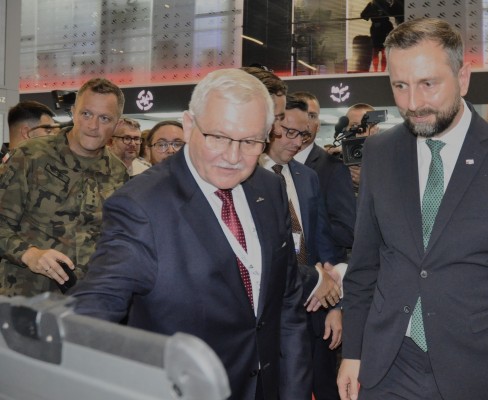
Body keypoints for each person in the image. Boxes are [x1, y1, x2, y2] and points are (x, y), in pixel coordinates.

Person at [337, 18, 488, 400]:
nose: (413, 103)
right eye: (400, 86)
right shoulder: (380, 153)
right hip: (388, 362)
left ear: (463, 77)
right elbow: (365, 264)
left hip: (473, 369)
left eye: (428, 84)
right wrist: (353, 352)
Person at [71, 69, 311, 400]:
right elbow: (98, 302)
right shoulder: (141, 204)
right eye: (219, 137)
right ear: (188, 125)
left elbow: (287, 303)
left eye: (250, 142)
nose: (233, 157)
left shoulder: (269, 188)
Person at [0, 78, 128, 297]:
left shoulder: (118, 172)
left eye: (104, 118)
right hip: (26, 298)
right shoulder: (31, 156)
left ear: (117, 125)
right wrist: (30, 254)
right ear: (73, 112)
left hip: (87, 301)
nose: (93, 126)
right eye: (86, 114)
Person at [261, 95, 343, 400]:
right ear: (270, 127)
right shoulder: (246, 177)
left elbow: (324, 245)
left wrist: (335, 306)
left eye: (304, 135)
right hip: (268, 314)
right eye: (289, 132)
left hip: (313, 308)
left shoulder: (307, 177)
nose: (297, 143)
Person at [292, 91, 356, 264]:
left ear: (318, 125)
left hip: (321, 268)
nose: (306, 122)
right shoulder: (269, 165)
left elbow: (347, 231)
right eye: (301, 114)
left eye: (312, 116)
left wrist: (300, 225)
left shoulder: (333, 169)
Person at [360, 0, 394, 72]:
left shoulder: (376, 4)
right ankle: (377, 71)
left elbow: (363, 15)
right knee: (378, 52)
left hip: (382, 29)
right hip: (380, 29)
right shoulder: (374, 4)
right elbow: (363, 15)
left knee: (381, 52)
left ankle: (379, 71)